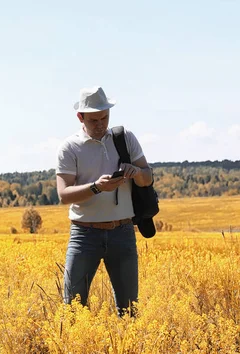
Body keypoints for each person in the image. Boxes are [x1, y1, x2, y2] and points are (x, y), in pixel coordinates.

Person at [55, 86, 153, 317]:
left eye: (104, 118)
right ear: (80, 117)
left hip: (123, 231)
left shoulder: (125, 138)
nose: (100, 124)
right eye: (94, 120)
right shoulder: (69, 147)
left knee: (130, 312)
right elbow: (63, 195)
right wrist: (97, 187)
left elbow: (147, 177)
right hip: (84, 236)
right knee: (73, 310)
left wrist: (135, 172)